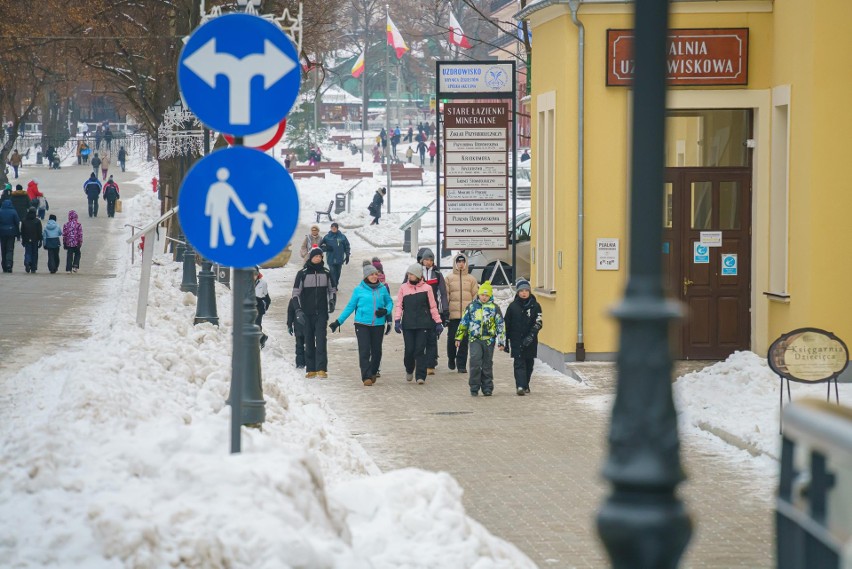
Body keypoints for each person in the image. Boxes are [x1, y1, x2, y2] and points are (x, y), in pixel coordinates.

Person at [329, 263, 394, 386]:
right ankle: (366, 376)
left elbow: (390, 303)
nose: (375, 276)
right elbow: (350, 307)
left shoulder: (382, 289)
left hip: (378, 324)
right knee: (364, 350)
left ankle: (373, 371)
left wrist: (386, 311)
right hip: (362, 324)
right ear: (366, 276)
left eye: (376, 274)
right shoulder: (358, 290)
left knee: (377, 352)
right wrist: (338, 322)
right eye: (372, 274)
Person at [394, 263, 443, 385]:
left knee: (420, 350)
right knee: (409, 350)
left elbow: (432, 306)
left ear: (417, 275)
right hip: (408, 324)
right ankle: (409, 369)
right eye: (408, 274)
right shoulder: (403, 288)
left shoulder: (427, 288)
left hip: (423, 324)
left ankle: (421, 375)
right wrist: (397, 320)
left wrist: (438, 322)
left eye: (411, 274)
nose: (409, 276)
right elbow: (399, 305)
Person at [291, 247, 336, 379]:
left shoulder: (326, 273)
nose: (318, 258)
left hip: (321, 312)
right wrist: (298, 310)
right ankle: (311, 369)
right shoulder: (302, 273)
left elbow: (332, 290)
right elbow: (295, 294)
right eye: (316, 256)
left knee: (321, 339)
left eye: (320, 257)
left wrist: (332, 302)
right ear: (311, 257)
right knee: (309, 340)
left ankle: (321, 368)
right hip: (306, 313)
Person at [455, 281, 506, 397]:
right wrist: (459, 337)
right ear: (478, 294)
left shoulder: (494, 308)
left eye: (487, 295)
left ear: (490, 296)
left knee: (487, 364)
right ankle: (474, 386)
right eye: (482, 295)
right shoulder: (472, 307)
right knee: (475, 361)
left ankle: (487, 387)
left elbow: (500, 325)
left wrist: (501, 341)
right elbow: (464, 322)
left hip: (489, 340)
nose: (484, 297)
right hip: (475, 339)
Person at [504, 279, 543, 395]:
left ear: (530, 292)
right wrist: (505, 341)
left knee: (529, 363)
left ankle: (525, 384)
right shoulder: (512, 307)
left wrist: (531, 335)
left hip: (530, 341)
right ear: (517, 292)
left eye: (526, 290)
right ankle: (520, 386)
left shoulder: (535, 306)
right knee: (519, 363)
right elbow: (506, 324)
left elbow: (539, 322)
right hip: (516, 339)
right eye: (521, 291)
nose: (524, 293)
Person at [417, 248, 449, 375]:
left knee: (432, 336)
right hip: (418, 309)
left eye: (431, 260)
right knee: (419, 336)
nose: (429, 262)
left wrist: (445, 310)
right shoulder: (416, 272)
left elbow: (443, 293)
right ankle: (420, 360)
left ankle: (431, 363)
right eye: (426, 260)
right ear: (422, 260)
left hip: (432, 309)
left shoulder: (437, 274)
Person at [446, 253, 479, 373]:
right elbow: (446, 296)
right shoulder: (449, 278)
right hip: (453, 315)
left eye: (463, 262)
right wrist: (445, 312)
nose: (461, 264)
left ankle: (461, 365)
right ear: (455, 263)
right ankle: (451, 358)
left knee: (464, 341)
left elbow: (476, 296)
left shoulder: (471, 279)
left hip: (466, 316)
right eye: (458, 261)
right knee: (452, 339)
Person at [320, 222, 350, 287]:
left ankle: (335, 283)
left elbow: (347, 246)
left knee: (338, 273)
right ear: (330, 228)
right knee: (332, 272)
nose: (333, 229)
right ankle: (333, 286)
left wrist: (347, 255)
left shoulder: (342, 237)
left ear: (337, 228)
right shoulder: (327, 237)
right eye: (332, 227)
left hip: (339, 258)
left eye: (335, 227)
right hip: (331, 258)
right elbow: (320, 246)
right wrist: (326, 248)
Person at [0, 198, 21, 272]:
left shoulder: (0, 211)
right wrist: (18, 234)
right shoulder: (13, 211)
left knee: (3, 249)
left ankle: (4, 265)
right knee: (10, 249)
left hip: (2, 233)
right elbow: (17, 222)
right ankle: (9, 264)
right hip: (11, 232)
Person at [20, 207, 42, 273]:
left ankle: (27, 261)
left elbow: (22, 231)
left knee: (28, 252)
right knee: (34, 253)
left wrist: (23, 240)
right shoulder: (37, 221)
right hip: (35, 240)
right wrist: (40, 240)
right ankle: (33, 267)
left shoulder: (24, 220)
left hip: (27, 239)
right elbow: (39, 232)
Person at [286, 296, 306, 369]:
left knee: (299, 345)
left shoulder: (294, 300)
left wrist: (289, 325)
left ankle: (300, 364)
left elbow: (290, 313)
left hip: (298, 327)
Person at [254, 267, 271, 349]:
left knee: (257, 325)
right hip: (248, 306)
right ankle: (262, 337)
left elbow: (267, 298)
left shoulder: (263, 283)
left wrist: (264, 307)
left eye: (255, 274)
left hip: (259, 306)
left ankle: (259, 341)